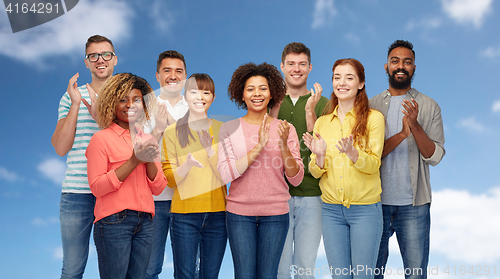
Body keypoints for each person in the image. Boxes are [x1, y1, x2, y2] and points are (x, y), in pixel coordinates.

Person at [218, 62, 305, 279]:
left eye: (263, 88)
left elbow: (296, 179)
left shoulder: (286, 129)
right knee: (244, 275)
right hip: (239, 215)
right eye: (250, 89)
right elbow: (224, 174)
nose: (257, 93)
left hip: (275, 214)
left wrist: (283, 145)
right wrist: (258, 147)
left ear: (272, 93)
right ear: (242, 94)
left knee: (268, 275)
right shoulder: (229, 129)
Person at [369, 40, 445, 279]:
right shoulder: (371, 106)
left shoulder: (429, 106)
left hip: (414, 206)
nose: (400, 66)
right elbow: (369, 155)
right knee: (371, 273)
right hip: (374, 203)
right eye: (395, 61)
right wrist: (402, 134)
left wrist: (414, 125)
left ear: (413, 68)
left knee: (415, 274)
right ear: (386, 67)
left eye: (407, 62)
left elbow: (434, 157)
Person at [303, 58, 385, 279]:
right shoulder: (322, 122)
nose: (342, 82)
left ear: (360, 84)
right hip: (331, 211)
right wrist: (319, 156)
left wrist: (353, 154)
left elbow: (374, 163)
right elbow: (315, 170)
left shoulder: (374, 119)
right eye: (337, 77)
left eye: (349, 77)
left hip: (365, 210)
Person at [86, 73, 167, 279]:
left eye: (136, 100)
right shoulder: (100, 139)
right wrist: (133, 161)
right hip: (114, 222)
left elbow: (158, 187)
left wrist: (147, 158)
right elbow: (97, 187)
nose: (130, 105)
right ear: (111, 103)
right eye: (123, 99)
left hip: (146, 222)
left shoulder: (148, 139)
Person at [51, 35, 117, 279]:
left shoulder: (127, 97)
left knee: (114, 270)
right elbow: (60, 147)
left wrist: (101, 114)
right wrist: (77, 105)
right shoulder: (70, 97)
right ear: (87, 62)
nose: (100, 59)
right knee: (72, 268)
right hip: (77, 192)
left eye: (106, 54)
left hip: (114, 192)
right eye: (93, 55)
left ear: (115, 59)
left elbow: (132, 142)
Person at [271, 42, 328, 279]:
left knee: (306, 268)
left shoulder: (325, 104)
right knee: (280, 269)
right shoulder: (268, 101)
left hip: (313, 195)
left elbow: (326, 148)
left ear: (310, 67)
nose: (297, 69)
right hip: (276, 197)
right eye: (291, 64)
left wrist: (311, 112)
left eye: (302, 64)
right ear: (282, 66)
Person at [161, 73, 227, 279]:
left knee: (210, 275)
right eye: (194, 91)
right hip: (184, 216)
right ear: (185, 96)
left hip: (218, 214)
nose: (200, 96)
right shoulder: (172, 132)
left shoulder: (222, 129)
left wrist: (210, 151)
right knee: (185, 274)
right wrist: (187, 164)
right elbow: (170, 179)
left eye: (206, 92)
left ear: (213, 98)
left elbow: (227, 174)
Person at [145, 50, 190, 279]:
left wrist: (170, 125)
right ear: (157, 75)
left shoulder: (195, 106)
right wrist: (158, 129)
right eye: (167, 70)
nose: (173, 75)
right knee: (150, 268)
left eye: (178, 71)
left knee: (187, 271)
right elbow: (138, 153)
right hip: (154, 201)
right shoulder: (143, 106)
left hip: (187, 201)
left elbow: (195, 150)